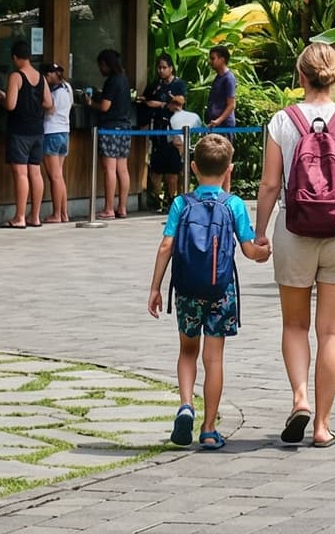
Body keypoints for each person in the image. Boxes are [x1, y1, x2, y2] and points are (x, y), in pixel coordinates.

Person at [255, 42, 335, 448]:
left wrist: (259, 232)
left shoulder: (281, 121)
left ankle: (300, 398)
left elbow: (270, 184)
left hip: (294, 228)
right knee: (332, 332)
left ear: (300, 76)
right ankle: (322, 425)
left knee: (294, 324)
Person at [148, 134, 272, 449]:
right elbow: (247, 250)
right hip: (221, 290)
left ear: (193, 167)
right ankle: (208, 428)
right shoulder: (233, 205)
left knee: (187, 351)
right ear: (229, 169)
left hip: (187, 288)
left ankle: (186, 405)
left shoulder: (180, 203)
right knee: (213, 359)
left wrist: (156, 288)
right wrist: (264, 252)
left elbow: (166, 246)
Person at [3, 40, 50, 229]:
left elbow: (11, 105)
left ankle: (20, 217)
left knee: (21, 174)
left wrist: (3, 98)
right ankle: (35, 216)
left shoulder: (16, 76)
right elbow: (49, 103)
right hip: (38, 129)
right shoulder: (40, 77)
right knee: (35, 172)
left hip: (20, 130)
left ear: (15, 57)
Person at [142, 53, 190, 207]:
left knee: (173, 168)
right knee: (156, 167)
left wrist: (168, 101)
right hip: (157, 129)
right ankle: (156, 199)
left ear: (171, 68)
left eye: (164, 68)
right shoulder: (155, 85)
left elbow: (181, 102)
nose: (161, 71)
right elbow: (147, 100)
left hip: (174, 130)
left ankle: (172, 198)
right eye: (159, 68)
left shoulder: (178, 84)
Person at [94, 49, 134, 219]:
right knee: (122, 169)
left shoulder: (112, 81)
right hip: (125, 127)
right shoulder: (124, 79)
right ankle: (122, 207)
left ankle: (109, 208)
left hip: (110, 127)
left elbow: (105, 106)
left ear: (105, 64)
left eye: (101, 66)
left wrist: (91, 103)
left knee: (109, 169)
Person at [42, 61, 75, 224]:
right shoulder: (67, 88)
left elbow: (50, 108)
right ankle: (64, 213)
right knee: (59, 175)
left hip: (51, 132)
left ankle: (56, 213)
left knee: (54, 176)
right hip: (64, 132)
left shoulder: (52, 91)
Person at [205, 44, 238, 129]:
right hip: (215, 123)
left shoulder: (229, 78)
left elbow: (231, 104)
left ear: (222, 59)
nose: (210, 61)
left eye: (213, 59)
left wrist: (219, 120)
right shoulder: (218, 77)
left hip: (224, 125)